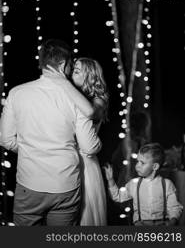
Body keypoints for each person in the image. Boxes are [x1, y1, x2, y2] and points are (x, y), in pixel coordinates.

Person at [0, 39, 101, 226]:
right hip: (65, 183)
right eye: (71, 66)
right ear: (63, 65)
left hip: (29, 183)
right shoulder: (76, 99)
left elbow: (6, 140)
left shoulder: (16, 93)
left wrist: (31, 151)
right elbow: (89, 146)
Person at [45, 57, 108, 225]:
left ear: (90, 76)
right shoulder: (69, 96)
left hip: (85, 162)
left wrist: (64, 84)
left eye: (77, 71)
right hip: (64, 158)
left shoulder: (99, 100)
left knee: (85, 215)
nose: (72, 73)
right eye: (73, 69)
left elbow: (89, 113)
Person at [104, 143, 183, 226]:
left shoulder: (167, 184)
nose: (137, 166)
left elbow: (174, 207)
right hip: (140, 224)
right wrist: (111, 180)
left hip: (162, 224)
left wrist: (173, 221)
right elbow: (118, 196)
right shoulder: (134, 184)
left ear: (155, 166)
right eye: (137, 161)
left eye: (142, 163)